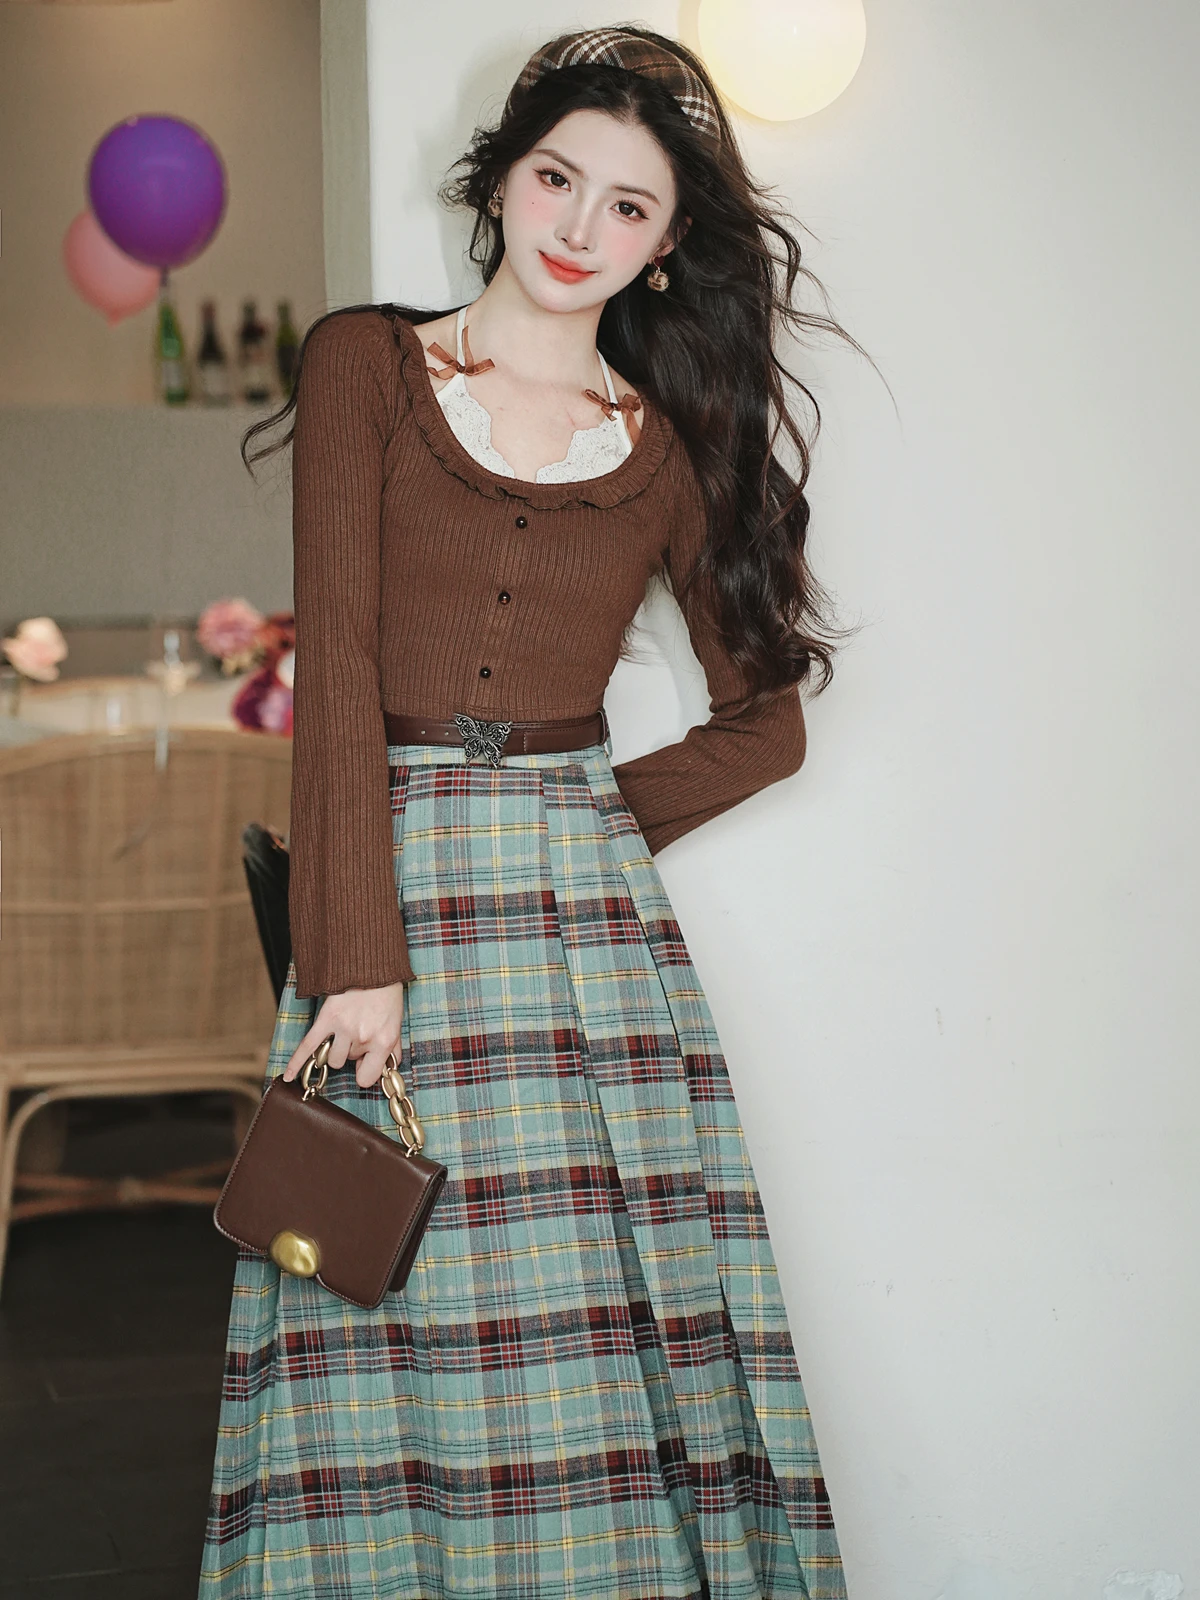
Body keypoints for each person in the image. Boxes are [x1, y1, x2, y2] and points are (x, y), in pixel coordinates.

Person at [201, 25, 859, 1600]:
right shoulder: (366, 365)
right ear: (501, 180)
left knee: (590, 1334)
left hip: (586, 952)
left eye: (628, 206)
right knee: (386, 1299)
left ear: (664, 247)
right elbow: (337, 669)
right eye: (559, 179)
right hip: (390, 911)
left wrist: (584, 825)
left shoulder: (666, 452)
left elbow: (766, 721)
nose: (580, 227)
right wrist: (356, 951)